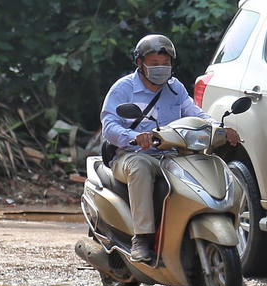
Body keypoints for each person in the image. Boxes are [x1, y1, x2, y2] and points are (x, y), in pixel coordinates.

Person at [100, 34, 239, 263]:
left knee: (203, 166)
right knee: (140, 167)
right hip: (132, 155)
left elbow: (195, 113)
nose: (161, 68)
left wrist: (219, 128)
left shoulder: (175, 88)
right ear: (140, 63)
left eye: (165, 63)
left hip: (172, 155)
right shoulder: (123, 89)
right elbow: (109, 126)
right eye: (155, 63)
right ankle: (142, 237)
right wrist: (135, 137)